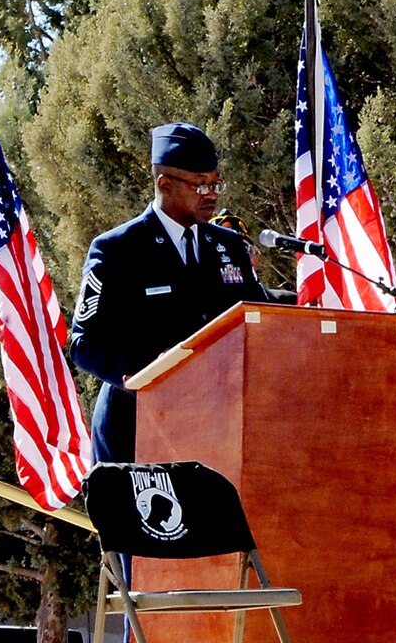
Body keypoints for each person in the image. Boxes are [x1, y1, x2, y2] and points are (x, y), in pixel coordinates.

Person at [68, 122, 268, 464]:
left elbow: (259, 321)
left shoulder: (228, 246)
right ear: (165, 184)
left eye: (216, 183)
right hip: (136, 432)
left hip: (216, 432)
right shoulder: (118, 250)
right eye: (201, 185)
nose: (212, 195)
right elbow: (84, 344)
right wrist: (145, 372)